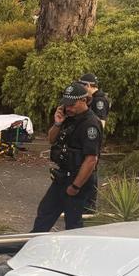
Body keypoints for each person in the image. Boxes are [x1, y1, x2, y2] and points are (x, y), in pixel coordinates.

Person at [31, 82, 103, 232]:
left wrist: (75, 187)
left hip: (78, 180)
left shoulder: (90, 124)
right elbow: (51, 140)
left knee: (73, 224)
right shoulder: (68, 117)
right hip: (62, 176)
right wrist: (57, 124)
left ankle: (75, 254)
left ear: (83, 101)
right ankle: (30, 247)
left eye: (72, 104)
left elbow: (91, 160)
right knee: (44, 213)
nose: (68, 108)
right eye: (66, 104)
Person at [78, 73, 109, 213]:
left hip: (93, 139)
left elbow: (101, 123)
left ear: (89, 85)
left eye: (82, 85)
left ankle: (89, 206)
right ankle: (85, 202)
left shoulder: (99, 100)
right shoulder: (93, 99)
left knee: (91, 171)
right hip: (90, 139)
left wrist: (91, 138)